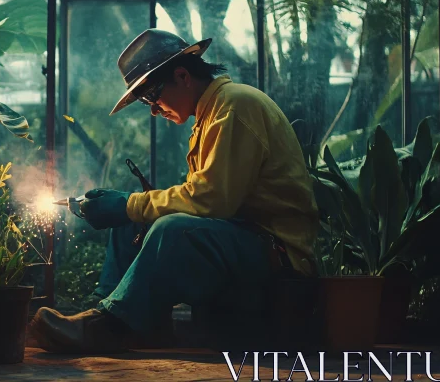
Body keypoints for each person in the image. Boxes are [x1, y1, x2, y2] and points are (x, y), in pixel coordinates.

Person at [29, 28, 318, 353]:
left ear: (182, 75)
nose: (152, 109)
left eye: (152, 95)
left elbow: (212, 200)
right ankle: (107, 313)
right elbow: (206, 200)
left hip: (277, 252)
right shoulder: (211, 115)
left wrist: (128, 203)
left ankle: (105, 328)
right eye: (145, 101)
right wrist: (131, 210)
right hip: (241, 238)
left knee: (169, 227)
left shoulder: (235, 106)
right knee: (132, 222)